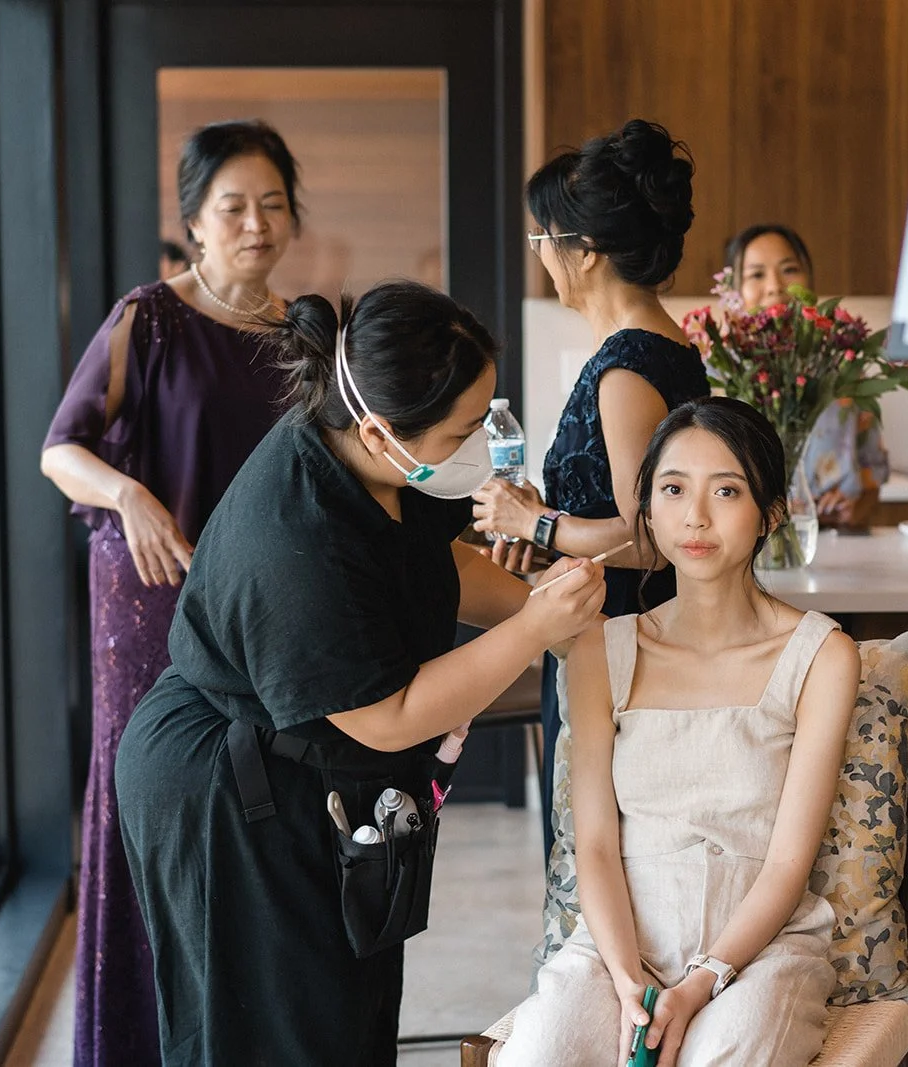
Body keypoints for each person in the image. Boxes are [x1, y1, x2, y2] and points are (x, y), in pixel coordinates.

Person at [114, 280, 607, 1065]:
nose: (481, 442)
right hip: (227, 791)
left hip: (316, 769)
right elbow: (388, 714)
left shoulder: (386, 468)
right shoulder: (296, 535)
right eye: (464, 429)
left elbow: (439, 566)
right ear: (379, 431)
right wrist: (536, 629)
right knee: (274, 1033)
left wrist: (551, 612)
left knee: (349, 1013)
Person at [40, 119, 301, 1067]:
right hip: (150, 597)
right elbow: (60, 449)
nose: (255, 224)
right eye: (233, 207)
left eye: (272, 204)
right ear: (194, 220)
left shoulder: (307, 333)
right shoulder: (147, 318)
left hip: (263, 606)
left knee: (249, 807)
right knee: (147, 802)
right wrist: (128, 494)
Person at [498, 397, 859, 1067]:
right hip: (619, 941)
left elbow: (788, 863)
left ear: (771, 514)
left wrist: (702, 980)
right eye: (672, 489)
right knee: (541, 1052)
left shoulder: (821, 655)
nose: (695, 515)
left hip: (759, 949)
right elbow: (595, 845)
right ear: (647, 511)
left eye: (726, 490)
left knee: (724, 1054)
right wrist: (626, 977)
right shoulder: (599, 650)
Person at [471, 119, 710, 858]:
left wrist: (535, 523)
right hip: (614, 635)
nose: (540, 255)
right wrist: (550, 537)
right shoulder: (658, 349)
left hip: (619, 649)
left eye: (542, 239)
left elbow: (654, 537)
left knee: (597, 851)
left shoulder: (626, 367)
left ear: (586, 250)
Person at [726, 224, 890, 528]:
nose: (775, 286)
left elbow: (872, 481)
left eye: (789, 270)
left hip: (832, 543)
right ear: (734, 290)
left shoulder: (841, 366)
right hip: (748, 547)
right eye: (756, 274)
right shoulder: (722, 373)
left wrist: (853, 509)